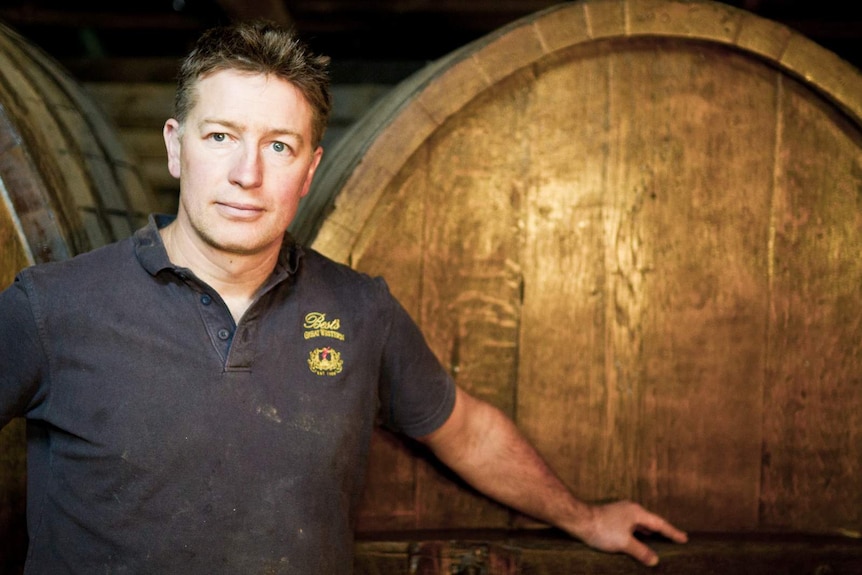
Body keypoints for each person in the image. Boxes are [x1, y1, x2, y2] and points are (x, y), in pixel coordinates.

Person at [0, 21, 687, 574]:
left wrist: (583, 516)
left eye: (279, 146)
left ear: (311, 170)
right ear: (177, 148)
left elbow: (465, 429)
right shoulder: (53, 307)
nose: (246, 173)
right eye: (221, 137)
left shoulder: (361, 311)